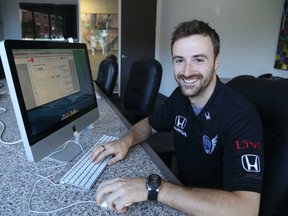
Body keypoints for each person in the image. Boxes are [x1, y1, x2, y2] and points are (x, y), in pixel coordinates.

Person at [90, 19, 264, 216]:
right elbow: (149, 124)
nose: (187, 72)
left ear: (216, 61)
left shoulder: (241, 117)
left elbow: (246, 209)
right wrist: (125, 140)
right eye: (180, 60)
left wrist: (155, 188)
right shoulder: (180, 97)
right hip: (180, 193)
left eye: (198, 59)